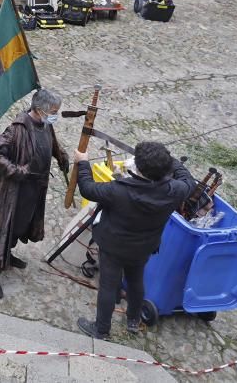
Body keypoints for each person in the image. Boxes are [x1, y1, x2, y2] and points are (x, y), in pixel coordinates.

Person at [75, 142, 195, 339]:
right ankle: (133, 321)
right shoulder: (175, 190)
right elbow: (188, 179)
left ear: (138, 167)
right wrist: (169, 161)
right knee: (135, 281)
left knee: (107, 285)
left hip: (113, 247)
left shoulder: (118, 190)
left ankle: (101, 330)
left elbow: (88, 188)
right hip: (144, 247)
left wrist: (83, 163)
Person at [0, 88, 69, 299]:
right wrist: (15, 171)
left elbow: (52, 143)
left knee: (20, 226)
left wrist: (60, 155)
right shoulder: (17, 130)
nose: (56, 115)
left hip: (34, 189)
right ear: (39, 109)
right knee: (4, 228)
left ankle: (6, 255)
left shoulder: (46, 124)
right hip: (14, 192)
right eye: (54, 111)